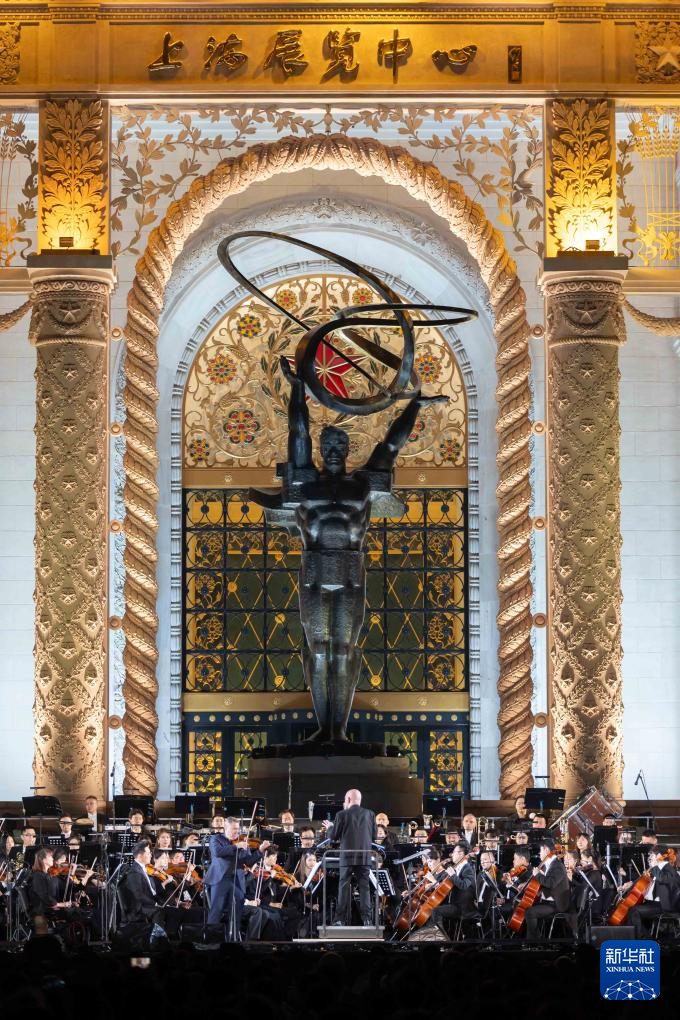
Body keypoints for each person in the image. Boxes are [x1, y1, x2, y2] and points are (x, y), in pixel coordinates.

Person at [269, 358, 443, 741]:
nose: (333, 451)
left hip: (350, 571)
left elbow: (391, 445)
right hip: (315, 570)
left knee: (345, 649)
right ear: (320, 450)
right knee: (318, 650)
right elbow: (297, 430)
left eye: (339, 445)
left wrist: (415, 406)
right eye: (328, 445)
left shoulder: (361, 486)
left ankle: (340, 732)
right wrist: (298, 388)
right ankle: (323, 729)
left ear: (348, 449)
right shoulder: (306, 484)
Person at [204, 817, 270, 937]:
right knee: (216, 911)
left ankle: (233, 940)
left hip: (237, 881)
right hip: (220, 879)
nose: (236, 831)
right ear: (226, 828)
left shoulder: (242, 841)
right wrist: (236, 847)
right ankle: (210, 941)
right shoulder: (216, 839)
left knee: (236, 913)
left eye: (238, 829)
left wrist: (260, 851)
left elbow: (248, 861)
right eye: (233, 828)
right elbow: (218, 852)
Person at [321, 788, 376, 926]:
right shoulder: (370, 814)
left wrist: (330, 827)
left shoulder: (341, 814)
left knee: (343, 888)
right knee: (364, 888)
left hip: (347, 857)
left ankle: (339, 919)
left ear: (348, 799)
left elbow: (333, 837)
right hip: (364, 857)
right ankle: (367, 920)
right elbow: (374, 836)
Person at [626, 846, 680, 939]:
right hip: (651, 903)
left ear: (659, 855)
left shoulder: (669, 869)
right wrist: (630, 884)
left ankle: (645, 940)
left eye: (651, 855)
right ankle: (635, 939)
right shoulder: (655, 869)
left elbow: (662, 878)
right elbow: (643, 881)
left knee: (634, 911)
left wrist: (654, 866)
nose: (649, 858)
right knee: (630, 909)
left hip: (663, 906)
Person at [523, 838, 573, 939]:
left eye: (540, 850)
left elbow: (551, 883)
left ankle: (533, 941)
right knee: (527, 907)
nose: (540, 853)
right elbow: (546, 883)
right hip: (549, 902)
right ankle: (537, 939)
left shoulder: (558, 866)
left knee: (530, 912)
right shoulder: (548, 865)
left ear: (546, 850)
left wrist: (538, 875)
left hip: (557, 905)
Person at [431, 842, 476, 933]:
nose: (452, 854)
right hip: (454, 903)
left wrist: (452, 875)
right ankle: (444, 935)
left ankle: (441, 937)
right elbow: (446, 885)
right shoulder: (456, 867)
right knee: (434, 907)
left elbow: (464, 885)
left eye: (454, 852)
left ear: (461, 854)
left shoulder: (468, 869)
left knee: (436, 911)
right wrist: (435, 884)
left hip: (463, 907)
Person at [28, 847, 73, 930]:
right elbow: (45, 897)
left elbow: (61, 888)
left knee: (75, 912)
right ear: (43, 859)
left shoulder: (49, 875)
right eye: (50, 856)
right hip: (42, 911)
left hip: (49, 909)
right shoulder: (38, 876)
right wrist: (62, 904)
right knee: (73, 913)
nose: (53, 858)